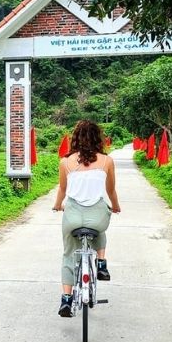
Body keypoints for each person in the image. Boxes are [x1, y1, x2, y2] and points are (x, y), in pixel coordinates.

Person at [52, 120, 121, 317]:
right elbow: (111, 190)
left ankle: (66, 299)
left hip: (72, 216)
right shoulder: (107, 161)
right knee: (100, 226)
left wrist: (58, 205)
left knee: (68, 255)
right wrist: (115, 206)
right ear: (98, 138)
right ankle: (101, 262)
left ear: (75, 138)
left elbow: (63, 190)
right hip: (97, 216)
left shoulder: (65, 162)